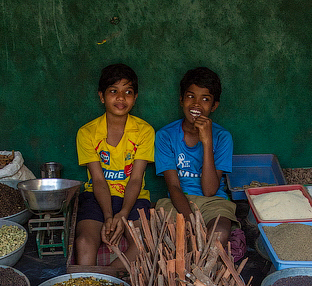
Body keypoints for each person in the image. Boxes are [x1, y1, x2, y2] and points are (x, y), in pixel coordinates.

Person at [75, 63, 154, 267]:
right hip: (96, 196)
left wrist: (123, 214)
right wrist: (109, 216)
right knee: (84, 242)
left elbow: (136, 179)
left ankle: (108, 277)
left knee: (143, 243)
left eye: (127, 92)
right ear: (102, 96)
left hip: (134, 198)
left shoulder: (144, 131)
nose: (121, 98)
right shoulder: (87, 133)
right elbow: (99, 179)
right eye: (113, 91)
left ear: (135, 97)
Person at [154, 66, 236, 247]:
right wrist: (191, 221)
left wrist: (207, 142)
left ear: (214, 106)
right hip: (178, 201)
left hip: (214, 202)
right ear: (181, 99)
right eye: (191, 96)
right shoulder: (165, 135)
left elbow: (209, 191)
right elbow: (174, 187)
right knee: (176, 238)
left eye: (205, 99)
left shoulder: (222, 137)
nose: (197, 104)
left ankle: (207, 275)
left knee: (219, 234)